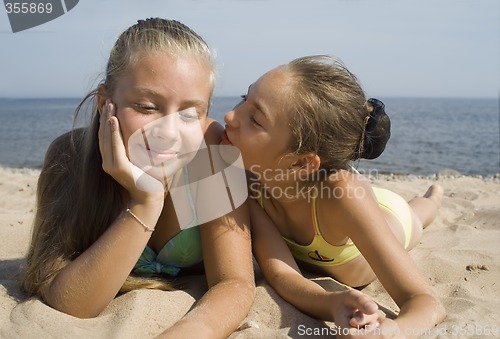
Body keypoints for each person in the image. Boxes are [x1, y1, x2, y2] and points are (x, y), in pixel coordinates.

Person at [22, 18, 255, 338]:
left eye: (190, 113)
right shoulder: (68, 156)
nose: (169, 132)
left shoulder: (211, 151)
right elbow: (70, 303)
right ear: (105, 103)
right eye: (147, 107)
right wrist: (145, 202)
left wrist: (190, 331)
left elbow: (235, 282)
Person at [221, 55, 446, 337]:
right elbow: (282, 274)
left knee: (418, 215)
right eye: (244, 97)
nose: (231, 115)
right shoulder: (248, 180)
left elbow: (425, 303)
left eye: (255, 119)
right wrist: (331, 303)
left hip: (390, 217)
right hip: (357, 206)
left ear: (301, 163)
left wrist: (393, 330)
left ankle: (434, 196)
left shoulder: (343, 195)